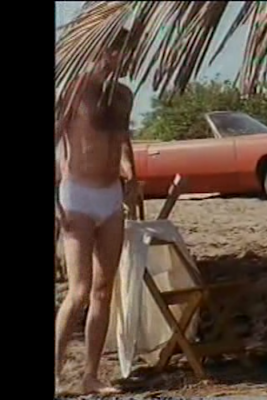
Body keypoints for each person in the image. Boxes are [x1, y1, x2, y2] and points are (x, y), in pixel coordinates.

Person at [55, 29, 137, 395]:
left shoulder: (123, 95)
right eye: (117, 52)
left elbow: (123, 140)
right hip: (77, 195)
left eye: (125, 53)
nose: (122, 59)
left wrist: (132, 176)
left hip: (110, 197)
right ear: (101, 51)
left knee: (104, 291)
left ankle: (90, 374)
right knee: (79, 291)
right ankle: (56, 371)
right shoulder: (74, 90)